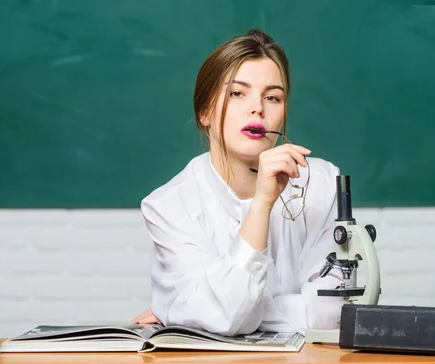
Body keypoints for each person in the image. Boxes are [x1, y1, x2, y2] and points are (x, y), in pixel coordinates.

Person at [131, 29, 344, 336]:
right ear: (204, 111)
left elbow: (334, 312)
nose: (257, 108)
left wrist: (187, 312)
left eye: (272, 97)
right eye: (237, 93)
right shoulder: (168, 206)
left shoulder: (323, 184)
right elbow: (226, 317)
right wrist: (262, 203)